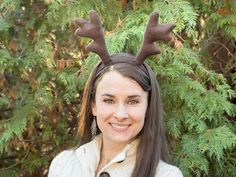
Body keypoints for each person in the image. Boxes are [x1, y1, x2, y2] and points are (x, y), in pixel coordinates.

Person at [48, 10, 183, 177]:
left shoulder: (165, 175)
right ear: (93, 106)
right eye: (109, 100)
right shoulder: (63, 165)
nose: (120, 114)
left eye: (133, 101)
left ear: (148, 107)